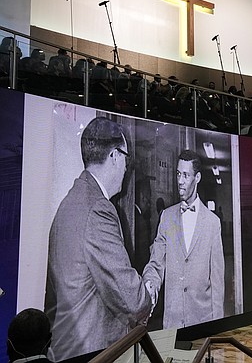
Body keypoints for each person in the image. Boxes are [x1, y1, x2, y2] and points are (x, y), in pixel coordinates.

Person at [44, 117, 152, 362]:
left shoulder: (68, 205)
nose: (126, 168)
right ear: (115, 155)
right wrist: (148, 293)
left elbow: (52, 300)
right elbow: (132, 300)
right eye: (126, 159)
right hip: (95, 351)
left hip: (65, 349)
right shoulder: (98, 209)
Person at [143, 149, 225, 329]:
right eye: (178, 174)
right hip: (172, 324)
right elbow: (156, 264)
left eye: (186, 175)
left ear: (197, 178)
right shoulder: (166, 217)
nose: (180, 181)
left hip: (203, 323)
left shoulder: (213, 224)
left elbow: (217, 285)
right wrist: (150, 284)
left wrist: (218, 331)